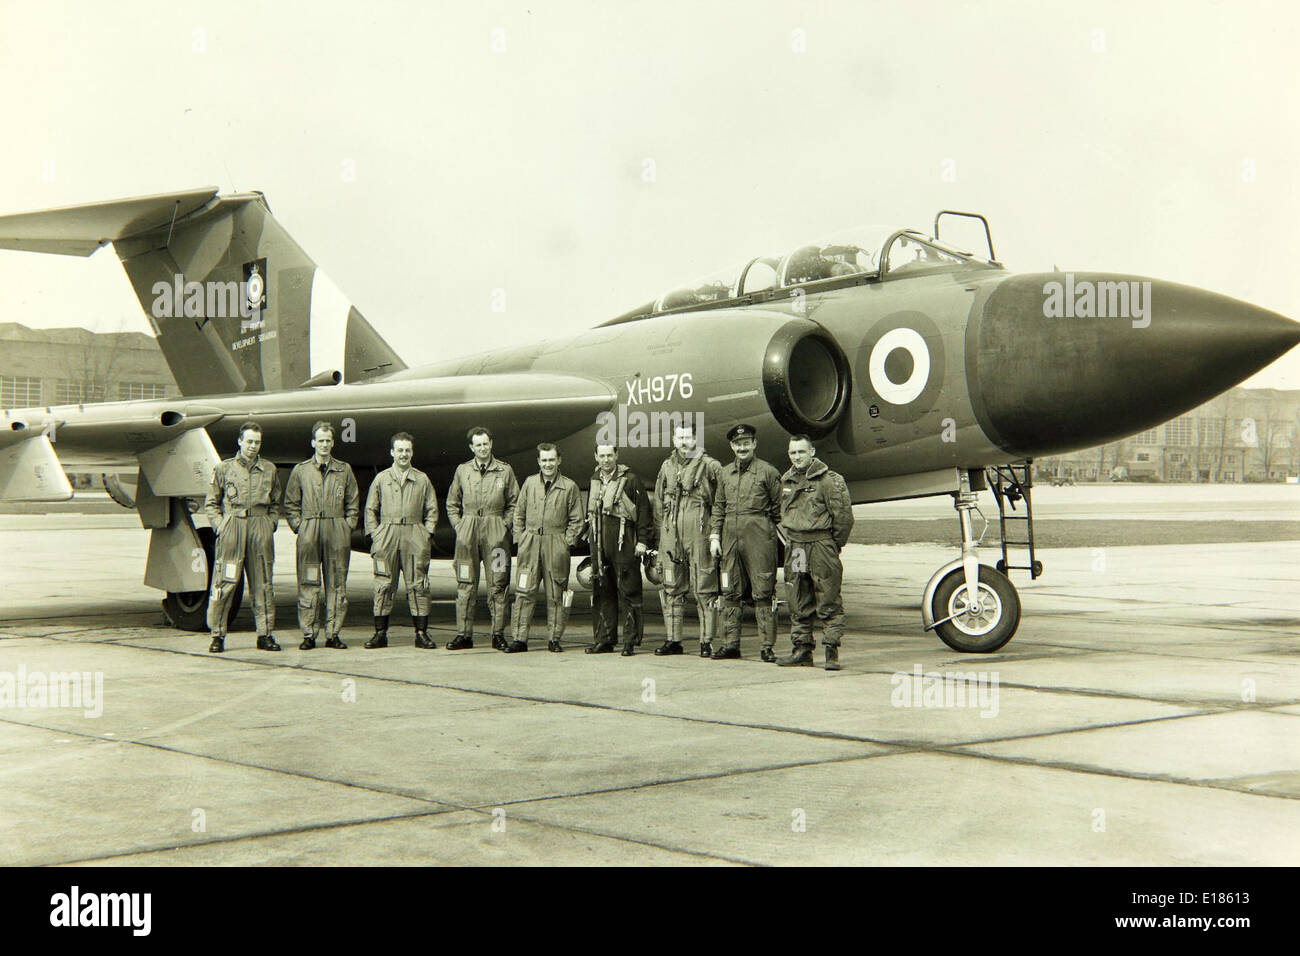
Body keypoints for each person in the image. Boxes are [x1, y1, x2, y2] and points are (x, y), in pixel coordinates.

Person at [777, 434, 855, 670]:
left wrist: (832, 546)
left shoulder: (830, 480)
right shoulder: (787, 480)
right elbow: (784, 515)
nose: (797, 457)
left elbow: (843, 518)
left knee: (828, 598)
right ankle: (802, 650)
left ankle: (831, 652)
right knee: (799, 597)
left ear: (811, 452)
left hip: (821, 545)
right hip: (797, 548)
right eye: (793, 453)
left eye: (801, 452)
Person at [204, 420, 283, 653]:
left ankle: (265, 633)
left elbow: (276, 502)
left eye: (257, 442)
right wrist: (221, 526)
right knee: (225, 582)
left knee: (263, 584)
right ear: (240, 441)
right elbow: (211, 502)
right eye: (249, 441)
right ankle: (217, 634)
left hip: (260, 528)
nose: (253, 446)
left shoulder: (269, 469)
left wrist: (270, 524)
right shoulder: (224, 468)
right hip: (234, 527)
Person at [708, 424, 782, 660]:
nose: (742, 447)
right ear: (732, 446)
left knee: (763, 590)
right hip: (730, 537)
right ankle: (730, 645)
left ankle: (766, 646)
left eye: (746, 443)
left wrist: (775, 535)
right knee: (730, 589)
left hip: (759, 536)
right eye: (738, 444)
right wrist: (714, 536)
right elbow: (718, 507)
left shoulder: (768, 472)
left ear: (754, 444)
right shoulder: (725, 473)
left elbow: (780, 509)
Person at [284, 421, 360, 649]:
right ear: (313, 443)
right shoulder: (301, 470)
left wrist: (347, 526)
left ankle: (333, 633)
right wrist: (299, 526)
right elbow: (290, 502)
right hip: (310, 531)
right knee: (308, 582)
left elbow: (353, 500)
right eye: (320, 440)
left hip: (336, 530)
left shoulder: (344, 470)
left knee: (337, 583)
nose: (324, 444)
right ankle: (309, 633)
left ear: (333, 443)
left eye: (328, 441)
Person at [506, 443, 585, 653]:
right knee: (524, 591)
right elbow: (518, 513)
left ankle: (554, 639)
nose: (548, 464)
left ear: (559, 460)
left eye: (552, 460)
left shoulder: (569, 487)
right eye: (544, 460)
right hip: (530, 543)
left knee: (556, 593)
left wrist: (566, 542)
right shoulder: (530, 483)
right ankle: (520, 639)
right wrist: (521, 539)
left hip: (555, 543)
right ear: (538, 462)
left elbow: (577, 520)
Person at [445, 427, 519, 650]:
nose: (483, 448)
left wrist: (504, 526)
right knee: (465, 583)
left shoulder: (504, 471)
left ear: (491, 444)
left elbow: (514, 503)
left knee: (498, 583)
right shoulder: (463, 471)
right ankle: (464, 635)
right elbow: (452, 502)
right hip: (468, 531)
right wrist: (460, 526)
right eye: (478, 445)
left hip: (495, 531)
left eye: (485, 444)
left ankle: (498, 634)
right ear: (471, 448)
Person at [363, 432, 439, 648]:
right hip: (387, 533)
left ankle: (421, 633)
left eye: (407, 450)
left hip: (414, 533)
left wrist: (426, 533)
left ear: (412, 452)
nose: (403, 454)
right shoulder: (382, 479)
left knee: (418, 584)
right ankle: (380, 633)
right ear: (392, 452)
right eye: (400, 450)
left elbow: (431, 509)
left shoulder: (422, 479)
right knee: (383, 583)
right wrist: (375, 536)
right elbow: (370, 509)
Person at [653, 421, 722, 656]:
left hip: (700, 534)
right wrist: (662, 539)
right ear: (673, 440)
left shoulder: (711, 467)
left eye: (688, 438)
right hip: (672, 537)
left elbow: (720, 504)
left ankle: (706, 641)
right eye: (679, 438)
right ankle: (673, 640)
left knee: (704, 587)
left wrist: (715, 534)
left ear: (696, 440)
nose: (683, 443)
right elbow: (660, 503)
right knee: (671, 587)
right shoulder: (666, 467)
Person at [586, 443, 654, 656]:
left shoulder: (631, 481)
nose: (606, 460)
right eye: (602, 456)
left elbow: (644, 512)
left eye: (609, 455)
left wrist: (642, 541)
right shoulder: (594, 480)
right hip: (600, 543)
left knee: (629, 591)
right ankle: (604, 639)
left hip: (624, 542)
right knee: (601, 591)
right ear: (596, 456)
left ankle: (630, 641)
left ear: (617, 455)